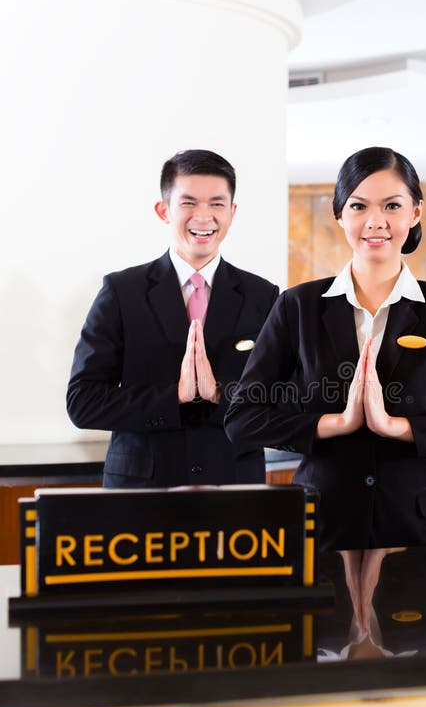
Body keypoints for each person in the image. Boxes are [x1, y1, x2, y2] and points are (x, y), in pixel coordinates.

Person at [225, 146, 426, 549]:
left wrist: (399, 427)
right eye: (359, 206)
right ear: (339, 215)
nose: (375, 221)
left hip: (416, 523)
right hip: (321, 522)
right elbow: (242, 417)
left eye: (392, 206)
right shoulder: (298, 306)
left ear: (415, 212)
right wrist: (336, 423)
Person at [67, 149, 279, 488]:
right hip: (140, 491)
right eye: (189, 203)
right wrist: (174, 395)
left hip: (234, 488)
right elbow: (83, 402)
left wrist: (219, 393)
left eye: (217, 204)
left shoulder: (263, 296)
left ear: (232, 212)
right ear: (163, 210)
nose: (204, 216)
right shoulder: (122, 292)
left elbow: (281, 399)